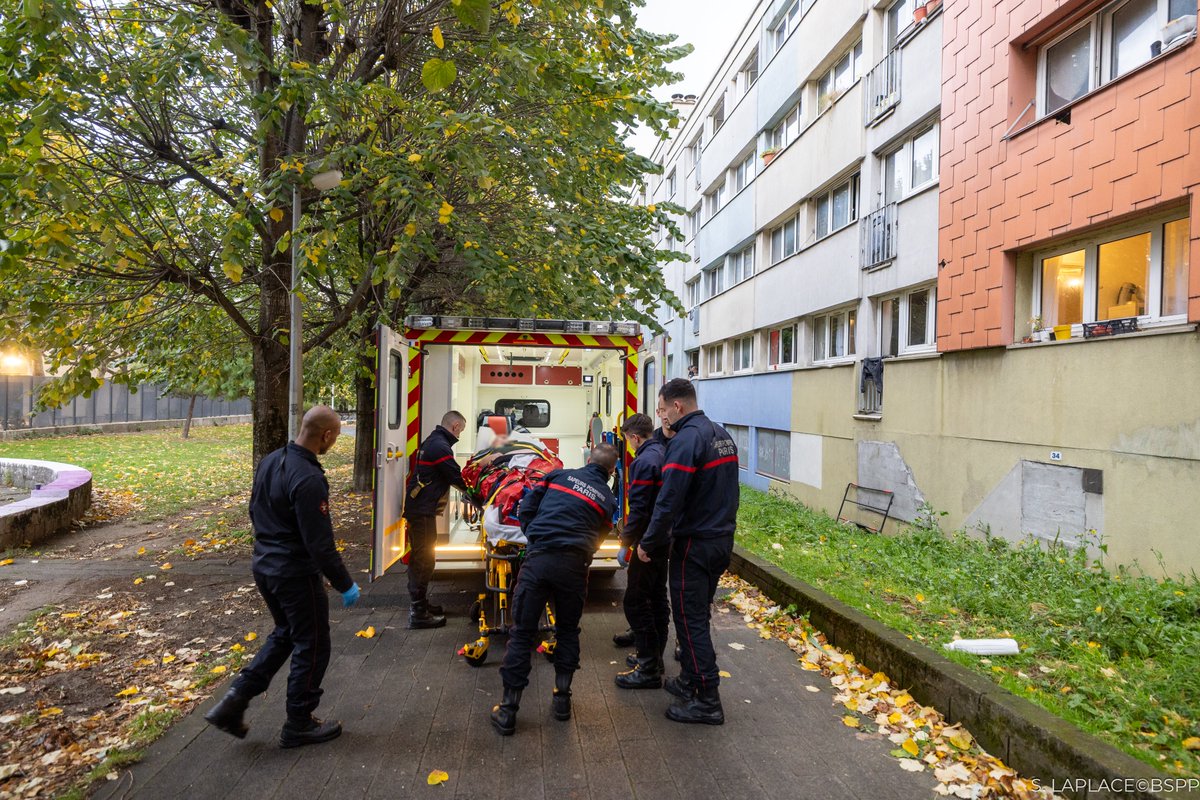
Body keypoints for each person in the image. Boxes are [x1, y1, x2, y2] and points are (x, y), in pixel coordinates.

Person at [204, 405, 360, 748]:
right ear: (327, 436)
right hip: (295, 573)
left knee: (286, 634)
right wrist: (345, 583)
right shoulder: (309, 478)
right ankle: (299, 723)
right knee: (313, 644)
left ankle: (234, 701)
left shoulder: (271, 461)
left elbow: (253, 509)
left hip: (265, 566)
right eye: (334, 435)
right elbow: (320, 544)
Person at [490, 444, 620, 736]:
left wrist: (536, 536)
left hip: (538, 562)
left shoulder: (557, 477)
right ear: (611, 472)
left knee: (522, 633)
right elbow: (599, 536)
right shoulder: (608, 500)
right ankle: (562, 700)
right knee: (567, 631)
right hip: (573, 569)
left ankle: (508, 710)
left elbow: (526, 509)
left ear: (588, 461)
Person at [638, 379, 739, 725]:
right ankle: (688, 679)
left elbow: (669, 500)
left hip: (694, 544)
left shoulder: (685, 441)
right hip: (720, 539)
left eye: (662, 409)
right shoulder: (721, 434)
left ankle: (707, 699)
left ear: (677, 407)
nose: (660, 416)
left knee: (689, 619)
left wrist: (648, 542)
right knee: (697, 613)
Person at [614, 413, 671, 690]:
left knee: (635, 602)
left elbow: (638, 509)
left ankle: (648, 668)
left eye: (628, 440)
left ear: (635, 437)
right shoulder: (663, 452)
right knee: (657, 597)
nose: (629, 445)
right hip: (663, 539)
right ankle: (655, 658)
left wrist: (626, 543)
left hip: (647, 543)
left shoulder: (643, 462)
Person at [403, 410, 468, 629]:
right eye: (461, 430)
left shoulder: (434, 440)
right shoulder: (440, 446)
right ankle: (418, 612)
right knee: (424, 560)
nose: (460, 435)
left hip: (420, 509)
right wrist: (476, 494)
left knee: (422, 558)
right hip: (421, 511)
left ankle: (421, 605)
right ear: (456, 425)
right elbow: (454, 475)